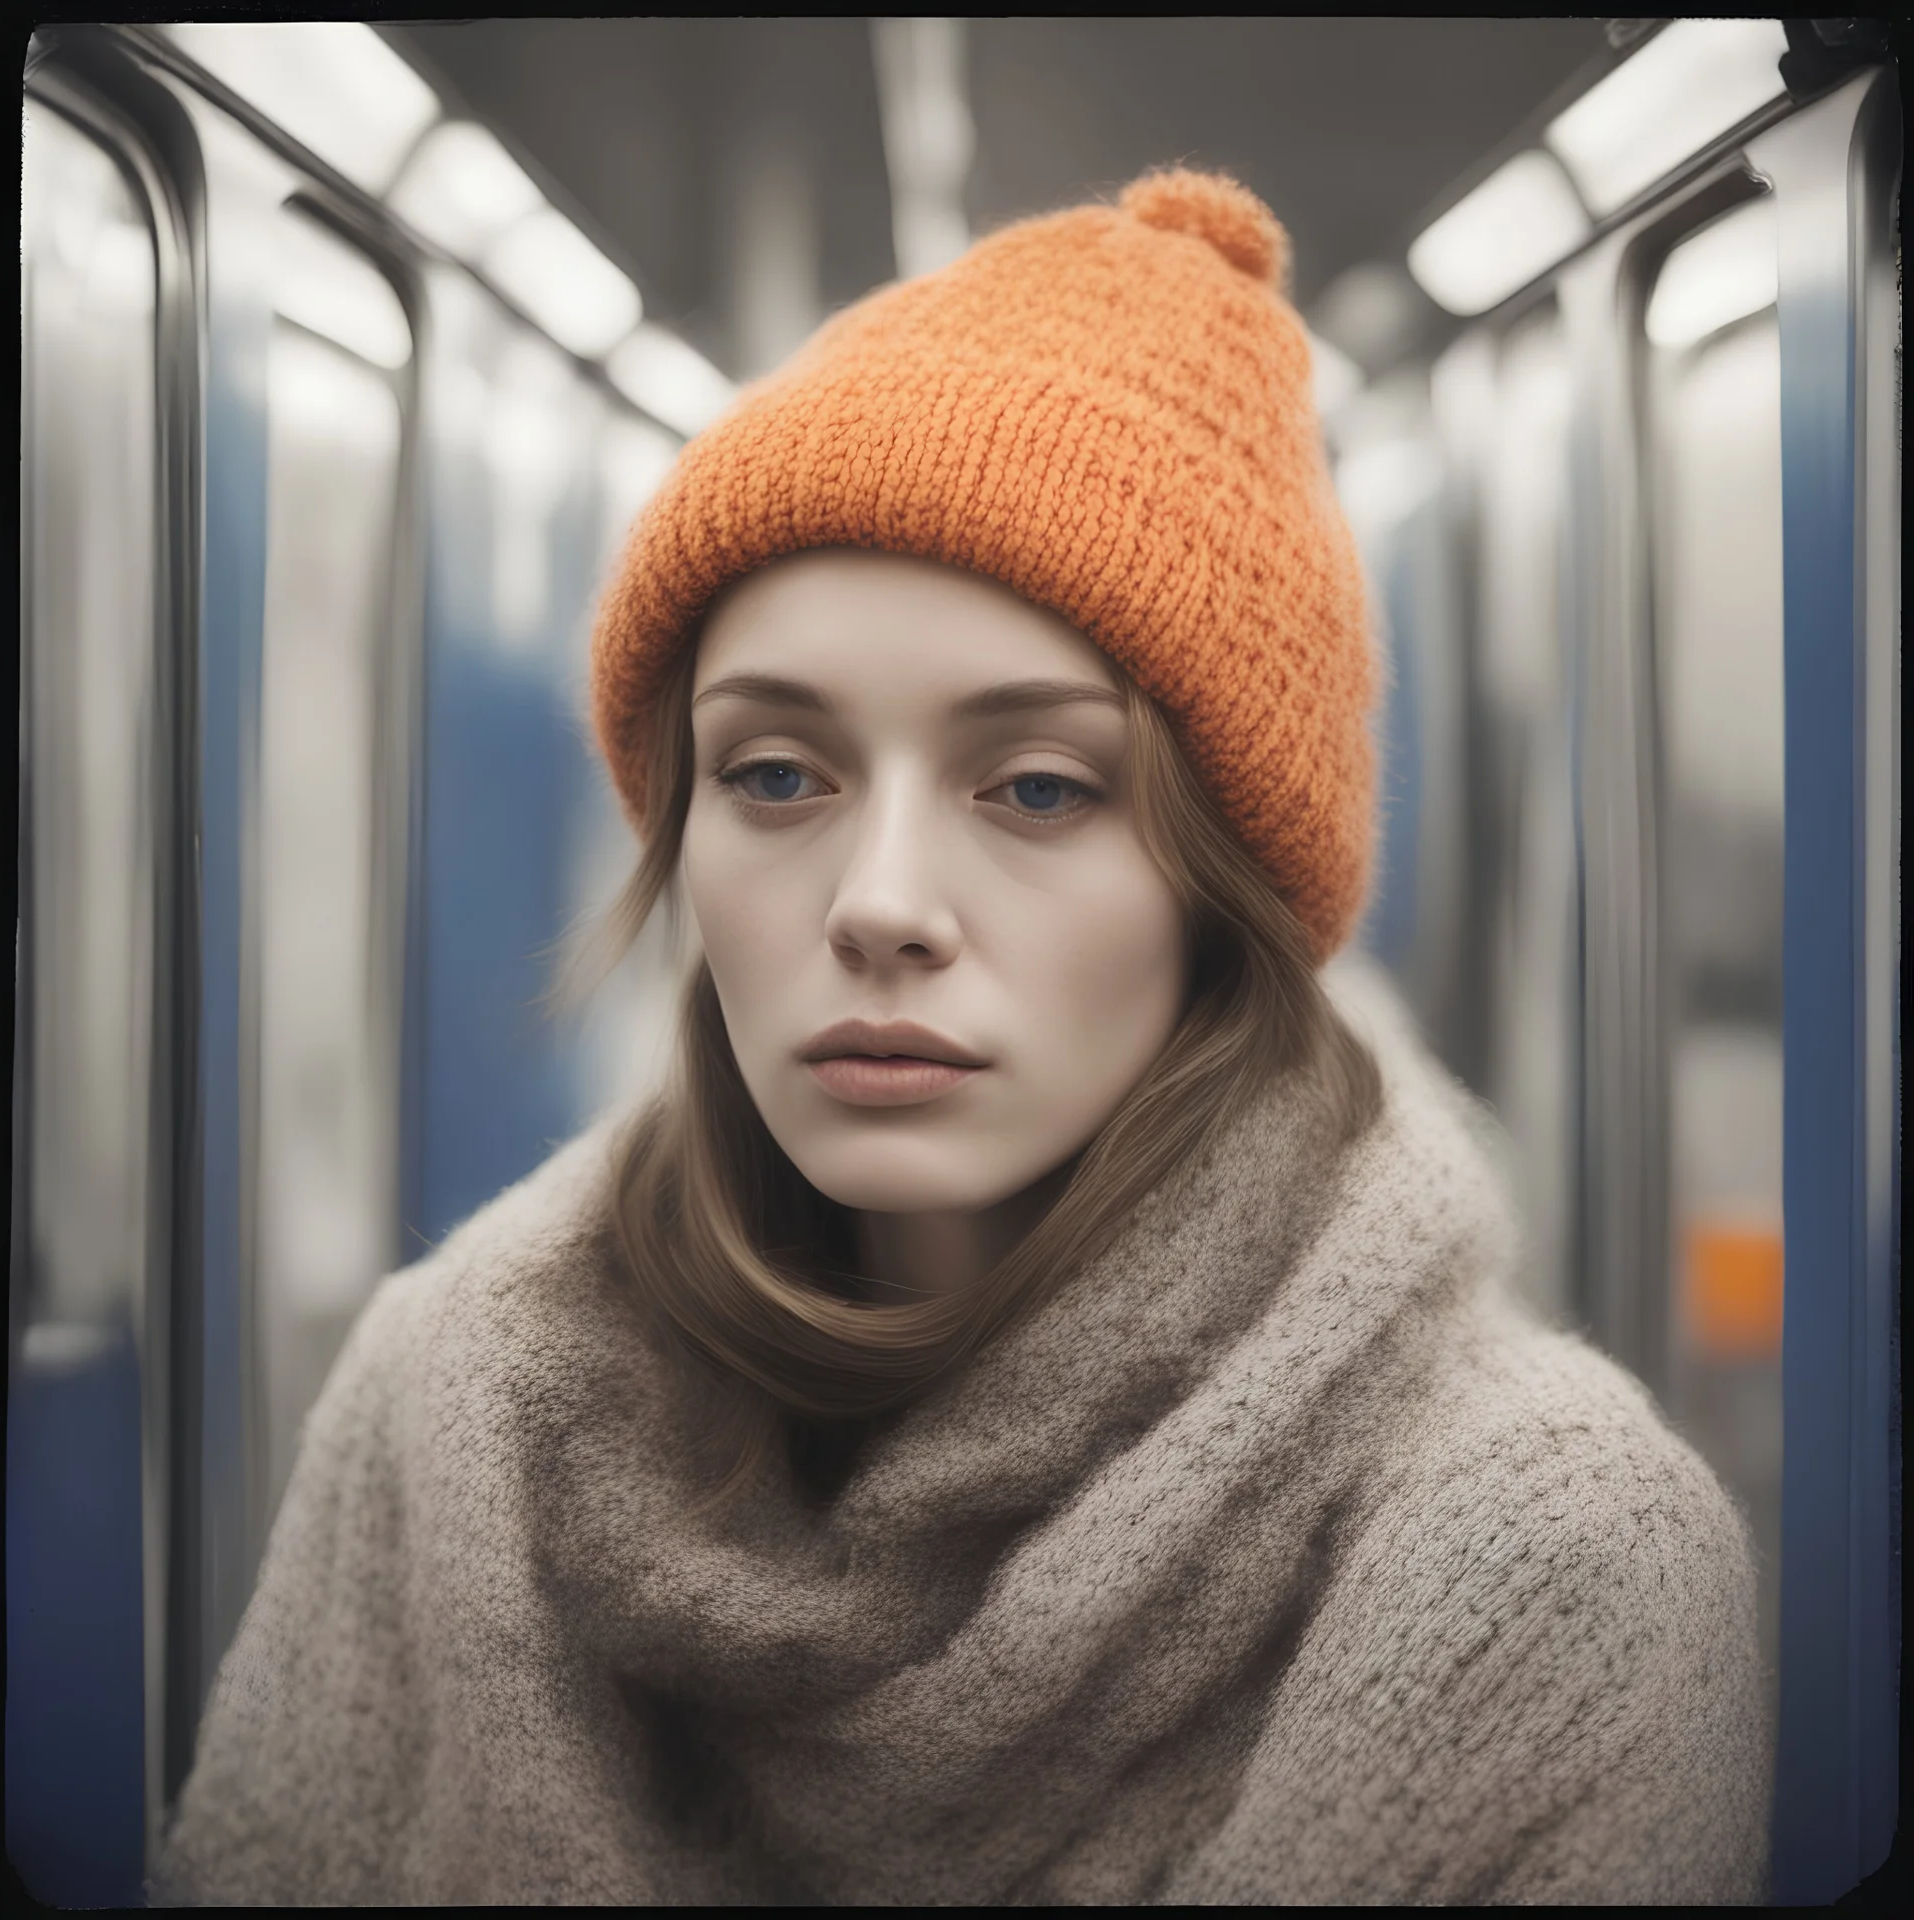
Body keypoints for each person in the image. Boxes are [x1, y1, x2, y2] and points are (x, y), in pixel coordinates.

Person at [157, 169, 1769, 1905]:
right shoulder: (446, 1401)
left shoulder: (1549, 1561)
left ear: (1223, 889)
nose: (882, 901)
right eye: (775, 775)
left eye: (1039, 786)